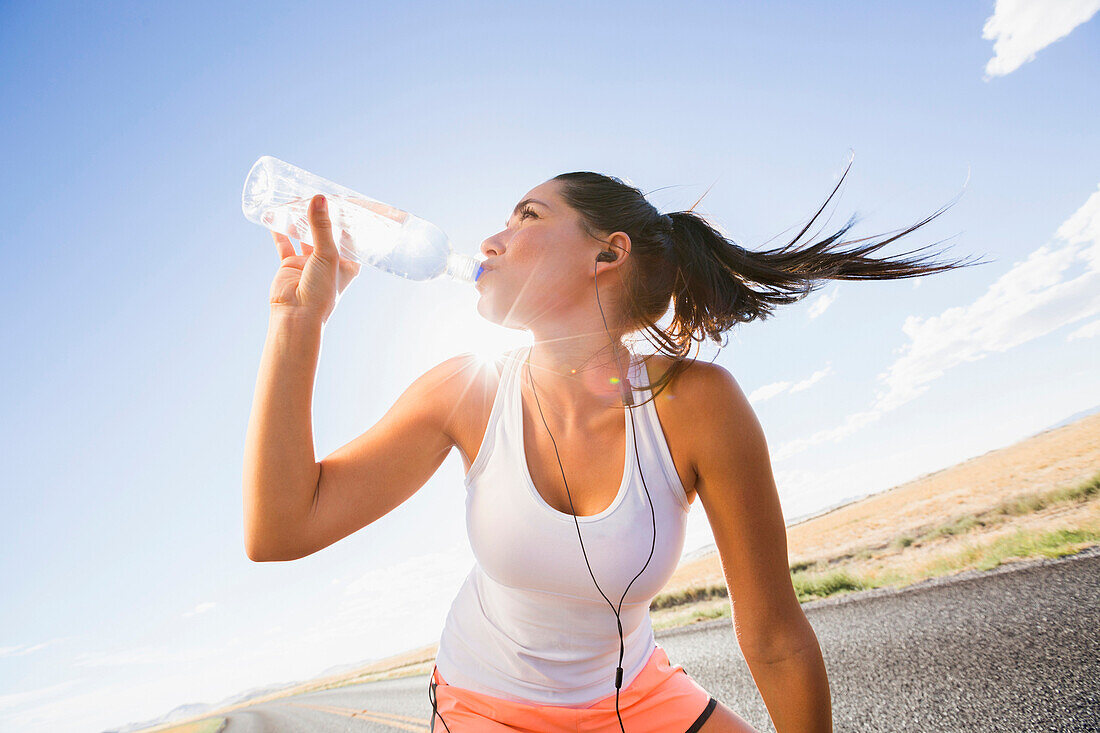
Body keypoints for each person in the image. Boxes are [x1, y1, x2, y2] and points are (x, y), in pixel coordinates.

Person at [243, 160, 985, 732]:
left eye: (527, 215)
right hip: (487, 707)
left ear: (607, 254)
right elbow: (281, 528)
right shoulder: (463, 392)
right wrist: (295, 321)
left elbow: (774, 633)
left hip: (637, 695)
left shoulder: (698, 406)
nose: (489, 238)